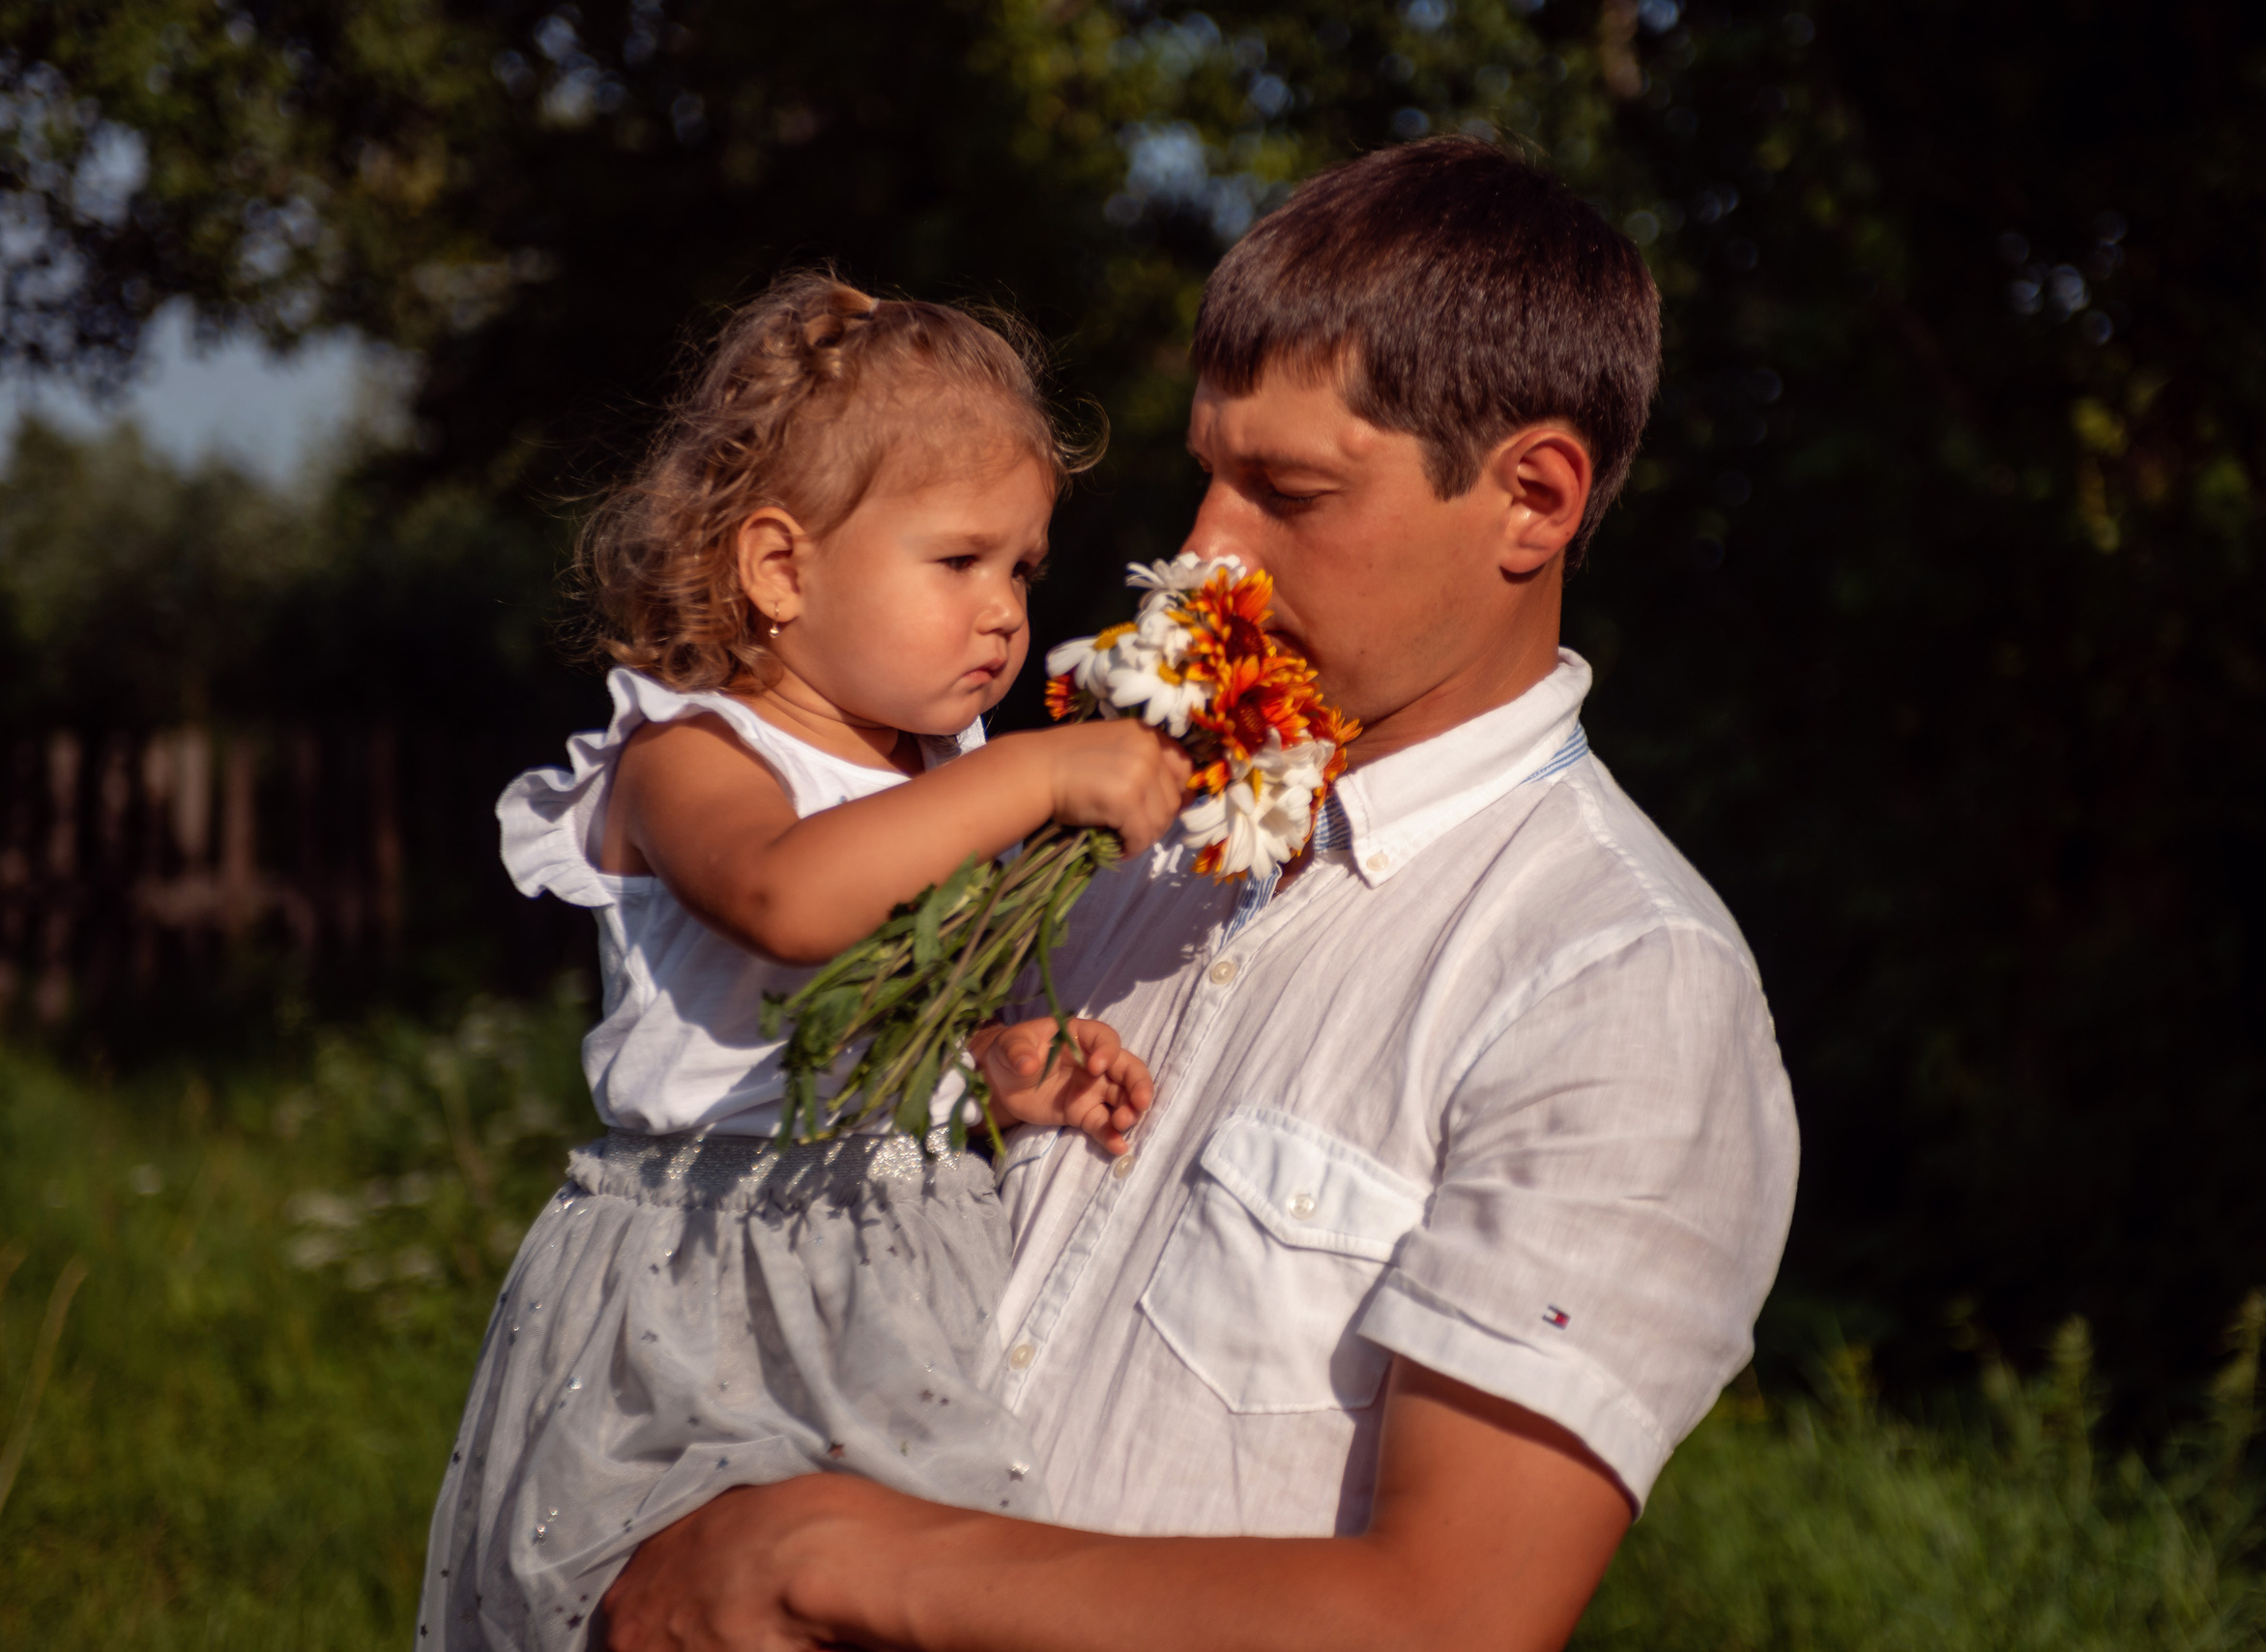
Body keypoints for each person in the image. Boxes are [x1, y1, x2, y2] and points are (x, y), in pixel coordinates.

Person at [601, 136, 1801, 1652]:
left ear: (1535, 499)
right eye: (1210, 471)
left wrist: (817, 1557)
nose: (1202, 551)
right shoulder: (1125, 834)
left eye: (1288, 490)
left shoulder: (1618, 980)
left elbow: (1451, 1617)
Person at [418, 271, 1195, 1650]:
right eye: (959, 562)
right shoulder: (690, 757)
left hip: (898, 1266)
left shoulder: (939, 779)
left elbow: (851, 1037)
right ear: (781, 568)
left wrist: (994, 1073)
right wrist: (1034, 770)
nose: (1008, 612)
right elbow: (787, 903)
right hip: (715, 1274)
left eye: (1022, 567)